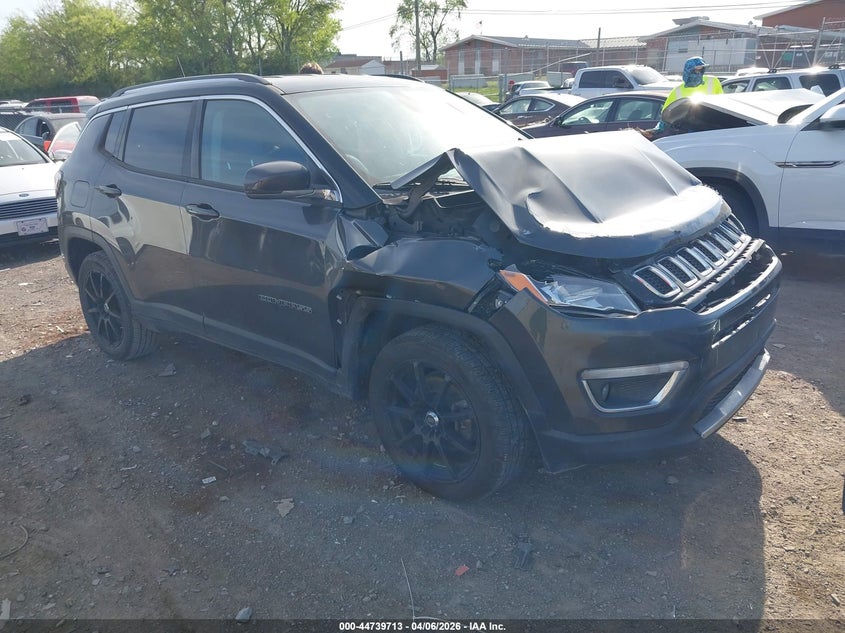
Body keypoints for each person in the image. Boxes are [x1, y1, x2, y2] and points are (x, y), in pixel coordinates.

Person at [642, 57, 723, 139]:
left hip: (713, 130)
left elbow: (723, 104)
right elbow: (665, 118)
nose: (698, 73)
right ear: (688, 72)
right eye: (695, 70)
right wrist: (656, 130)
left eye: (700, 70)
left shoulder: (712, 81)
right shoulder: (677, 91)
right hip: (689, 134)